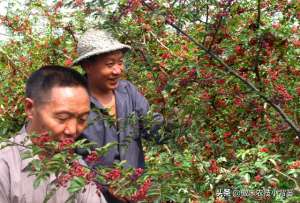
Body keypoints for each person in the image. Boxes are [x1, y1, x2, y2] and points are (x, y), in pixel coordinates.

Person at [0, 65, 107, 203]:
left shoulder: (78, 168)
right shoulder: (5, 165)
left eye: (82, 119)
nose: (73, 130)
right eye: (62, 118)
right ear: (30, 108)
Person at [73, 29, 164, 169]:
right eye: (110, 64)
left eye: (120, 62)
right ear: (87, 66)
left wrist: (175, 127)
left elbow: (151, 127)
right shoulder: (73, 101)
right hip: (91, 189)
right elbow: (66, 153)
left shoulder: (128, 92)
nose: (117, 70)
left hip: (133, 187)